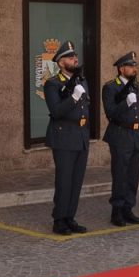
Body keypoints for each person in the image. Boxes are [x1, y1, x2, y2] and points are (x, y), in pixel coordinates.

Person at [43, 40, 91, 235]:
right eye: (70, 57)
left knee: (77, 181)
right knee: (64, 181)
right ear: (61, 62)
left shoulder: (81, 81)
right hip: (64, 137)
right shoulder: (52, 84)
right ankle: (59, 219)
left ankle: (70, 217)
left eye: (75, 56)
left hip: (80, 136)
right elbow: (56, 111)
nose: (75, 59)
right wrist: (72, 98)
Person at [103, 52, 139, 226]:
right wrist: (125, 103)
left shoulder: (137, 86)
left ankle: (128, 208)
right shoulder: (111, 87)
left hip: (136, 134)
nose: (134, 69)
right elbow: (111, 113)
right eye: (131, 66)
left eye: (135, 66)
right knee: (120, 174)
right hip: (120, 134)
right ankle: (117, 211)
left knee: (133, 175)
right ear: (121, 69)